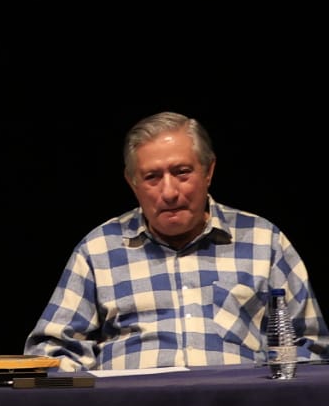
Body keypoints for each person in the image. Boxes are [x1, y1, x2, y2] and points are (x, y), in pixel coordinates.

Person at [25, 111, 327, 371]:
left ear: (208, 171)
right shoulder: (99, 249)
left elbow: (311, 347)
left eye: (182, 172)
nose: (169, 192)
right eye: (152, 177)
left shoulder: (264, 241)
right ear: (132, 183)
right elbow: (52, 352)